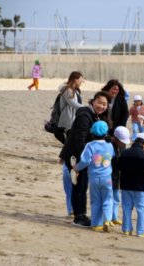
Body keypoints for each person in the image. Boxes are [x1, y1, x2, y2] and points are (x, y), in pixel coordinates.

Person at [59, 91, 110, 227]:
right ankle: (78, 216)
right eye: (99, 102)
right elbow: (79, 140)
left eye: (104, 104)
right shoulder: (85, 115)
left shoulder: (96, 116)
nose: (101, 106)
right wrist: (85, 160)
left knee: (82, 185)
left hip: (82, 155)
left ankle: (81, 214)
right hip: (76, 156)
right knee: (79, 185)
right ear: (93, 101)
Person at [74, 121, 115, 232]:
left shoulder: (90, 145)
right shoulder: (110, 145)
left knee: (95, 200)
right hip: (107, 178)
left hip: (94, 178)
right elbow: (112, 156)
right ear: (106, 133)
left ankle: (96, 224)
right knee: (108, 199)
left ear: (92, 133)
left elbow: (85, 161)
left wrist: (76, 168)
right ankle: (107, 219)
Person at [118, 133, 144, 237]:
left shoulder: (124, 153)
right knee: (141, 209)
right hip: (140, 186)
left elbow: (118, 166)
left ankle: (126, 229)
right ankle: (140, 231)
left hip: (126, 185)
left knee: (126, 208)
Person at [58, 71, 84, 216]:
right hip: (69, 122)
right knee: (69, 145)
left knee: (69, 146)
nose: (82, 81)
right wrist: (87, 109)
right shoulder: (68, 90)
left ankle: (66, 159)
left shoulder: (74, 90)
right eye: (81, 79)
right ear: (75, 79)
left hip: (72, 120)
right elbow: (72, 104)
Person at [110, 126, 131, 225]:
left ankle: (114, 216)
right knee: (108, 198)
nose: (123, 143)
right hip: (109, 176)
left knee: (116, 197)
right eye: (122, 141)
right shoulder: (109, 145)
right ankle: (107, 217)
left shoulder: (122, 147)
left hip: (118, 176)